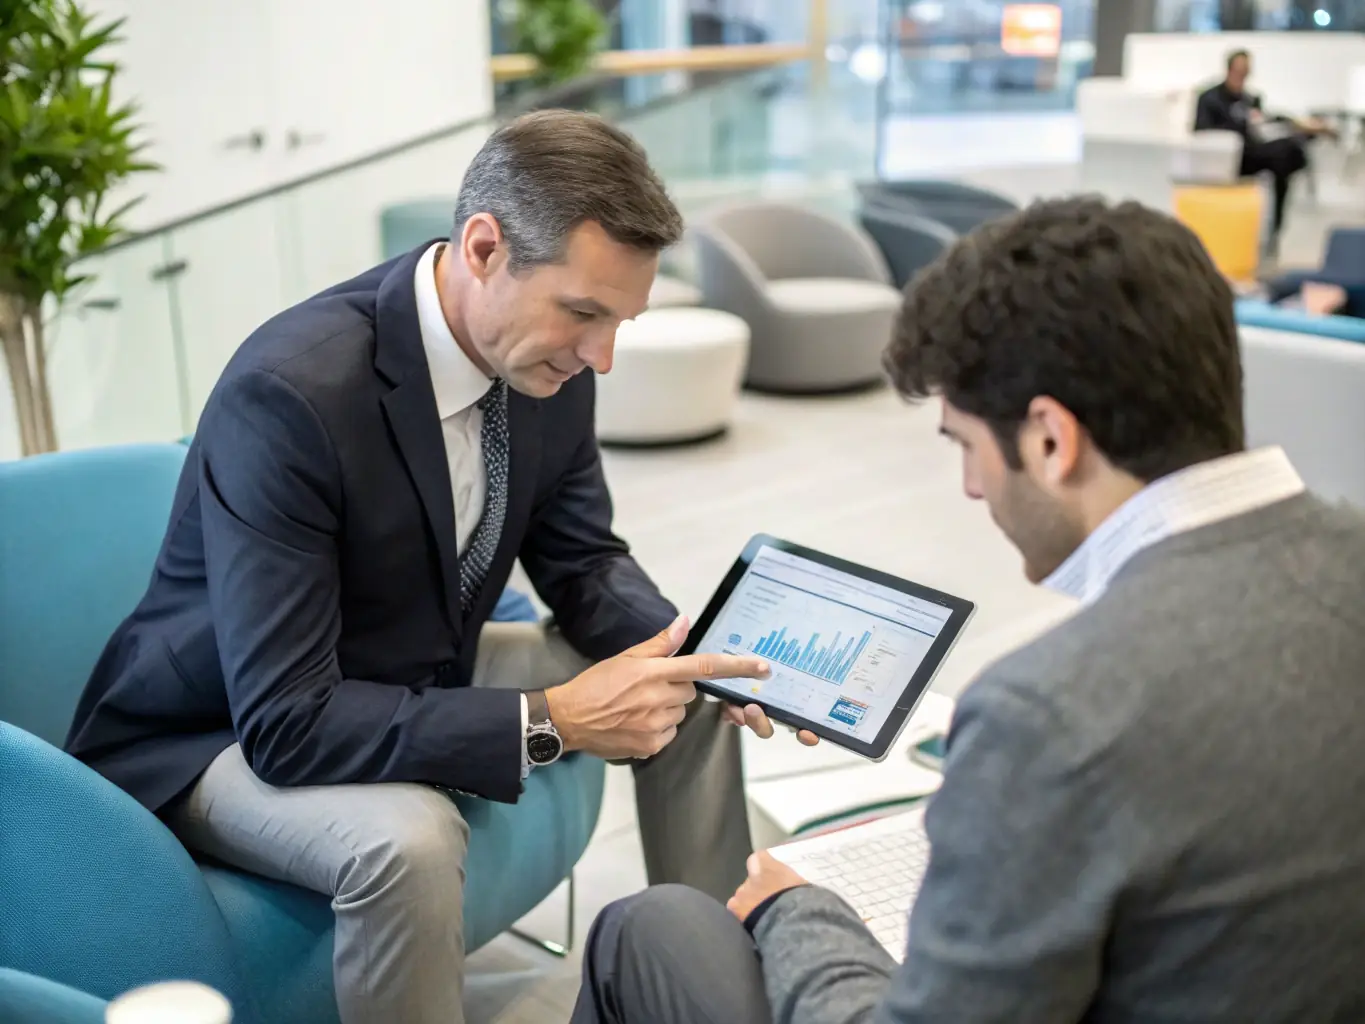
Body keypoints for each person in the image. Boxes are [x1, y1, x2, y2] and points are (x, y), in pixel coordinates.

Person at [64, 110, 814, 1024]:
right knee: (409, 841)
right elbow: (289, 723)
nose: (601, 357)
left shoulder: (547, 369)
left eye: (620, 321)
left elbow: (581, 563)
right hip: (213, 731)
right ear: (485, 247)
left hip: (407, 666)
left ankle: (712, 999)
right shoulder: (294, 394)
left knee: (676, 685)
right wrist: (549, 722)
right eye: (582, 313)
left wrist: (690, 649)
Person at [571, 196, 1365, 1023]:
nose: (971, 488)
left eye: (965, 445)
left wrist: (800, 909)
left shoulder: (1052, 709)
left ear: (1051, 440)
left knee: (649, 926)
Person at [1194, 49, 1333, 250]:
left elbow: (1266, 120)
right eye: (1239, 69)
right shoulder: (1210, 98)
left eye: (1246, 70)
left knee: (1287, 152)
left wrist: (1297, 125)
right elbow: (1202, 130)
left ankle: (1275, 228)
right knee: (1285, 153)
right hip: (1230, 156)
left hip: (1255, 150)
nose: (1242, 74)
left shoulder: (1250, 99)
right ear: (1229, 69)